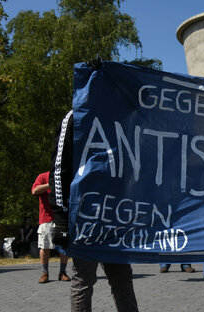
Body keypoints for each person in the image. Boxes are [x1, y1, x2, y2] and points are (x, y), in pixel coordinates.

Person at [49, 97, 139, 310]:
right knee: (84, 279)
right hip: (84, 217)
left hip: (114, 217)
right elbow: (59, 169)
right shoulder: (75, 117)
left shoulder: (119, 117)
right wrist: (61, 220)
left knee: (122, 277)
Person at [33, 171, 71, 283]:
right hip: (46, 218)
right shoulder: (43, 176)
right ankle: (45, 273)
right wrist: (51, 184)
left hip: (62, 217)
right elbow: (34, 190)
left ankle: (62, 272)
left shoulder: (65, 176)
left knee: (63, 246)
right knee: (45, 247)